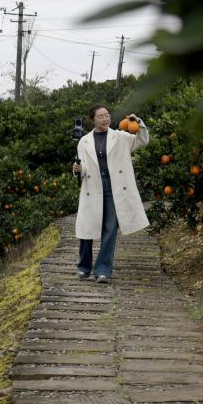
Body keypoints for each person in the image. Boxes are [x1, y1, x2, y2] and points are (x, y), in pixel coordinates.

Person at [72, 104, 149, 283]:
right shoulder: (83, 141)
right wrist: (77, 168)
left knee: (110, 228)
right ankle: (84, 266)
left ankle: (103, 270)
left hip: (115, 187)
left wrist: (139, 123)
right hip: (92, 186)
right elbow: (83, 168)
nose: (105, 119)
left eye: (107, 115)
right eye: (101, 116)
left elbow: (142, 141)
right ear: (93, 119)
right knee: (86, 229)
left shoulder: (120, 136)